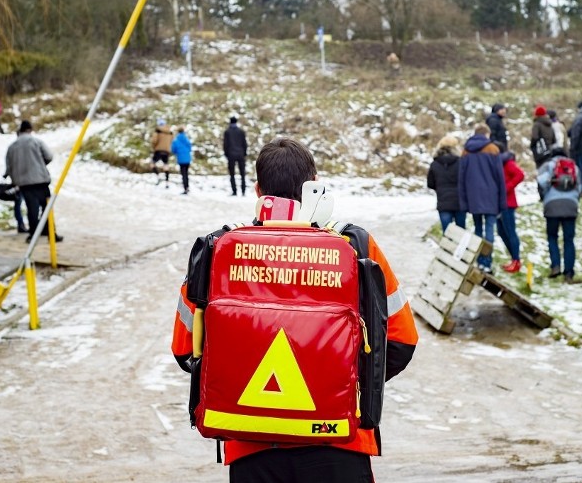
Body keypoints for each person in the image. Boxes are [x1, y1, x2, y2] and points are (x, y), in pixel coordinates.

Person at [171, 136, 418, 480]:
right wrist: (341, 387)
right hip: (340, 445)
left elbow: (186, 352)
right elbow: (401, 342)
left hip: (250, 447)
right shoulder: (355, 247)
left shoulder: (218, 251)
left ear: (257, 191)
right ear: (315, 187)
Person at [458, 125, 507, 273]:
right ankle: (487, 262)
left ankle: (479, 261)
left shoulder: (466, 151)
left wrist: (464, 201)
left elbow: (461, 178)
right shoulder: (493, 149)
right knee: (490, 231)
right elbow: (500, 177)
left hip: (473, 197)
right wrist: (502, 201)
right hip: (491, 196)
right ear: (486, 134)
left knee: (478, 229)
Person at [5, 120, 62, 243]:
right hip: (41, 179)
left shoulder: (12, 147)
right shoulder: (36, 141)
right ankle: (51, 233)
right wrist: (40, 165)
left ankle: (33, 234)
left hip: (24, 183)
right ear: (29, 129)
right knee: (46, 207)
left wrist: (15, 179)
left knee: (32, 208)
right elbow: (49, 156)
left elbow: (9, 166)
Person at [537, 147, 581, 283]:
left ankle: (555, 266)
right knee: (569, 240)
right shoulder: (574, 167)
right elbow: (580, 187)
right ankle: (569, 273)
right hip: (570, 206)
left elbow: (541, 183)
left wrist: (545, 197)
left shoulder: (547, 166)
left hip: (552, 206)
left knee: (552, 237)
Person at [426, 135, 466, 233]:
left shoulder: (434, 164)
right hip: (459, 203)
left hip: (443, 202)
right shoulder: (461, 162)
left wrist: (440, 187)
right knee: (461, 234)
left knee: (447, 234)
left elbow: (430, 183)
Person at [497, 150, 524, 273]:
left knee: (510, 231)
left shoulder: (507, 163)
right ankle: (513, 258)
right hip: (498, 204)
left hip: (508, 203)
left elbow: (520, 175)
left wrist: (506, 188)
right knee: (501, 232)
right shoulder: (497, 164)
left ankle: (516, 260)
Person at [223, 116, 248, 196]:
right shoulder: (241, 131)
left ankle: (234, 191)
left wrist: (226, 154)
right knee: (242, 173)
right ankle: (243, 191)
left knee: (232, 174)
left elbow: (225, 144)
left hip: (231, 154)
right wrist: (244, 153)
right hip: (240, 154)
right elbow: (244, 144)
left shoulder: (227, 132)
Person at [151, 118, 174, 187]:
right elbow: (172, 141)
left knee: (152, 164)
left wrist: (154, 147)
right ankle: (167, 182)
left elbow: (154, 141)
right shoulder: (170, 132)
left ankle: (158, 176)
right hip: (166, 151)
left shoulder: (157, 131)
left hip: (158, 150)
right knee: (166, 165)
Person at [171, 126, 192, 195]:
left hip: (181, 159)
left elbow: (173, 150)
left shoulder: (176, 140)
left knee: (183, 174)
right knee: (186, 173)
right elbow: (190, 147)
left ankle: (185, 188)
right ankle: (187, 187)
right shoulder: (186, 139)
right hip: (187, 158)